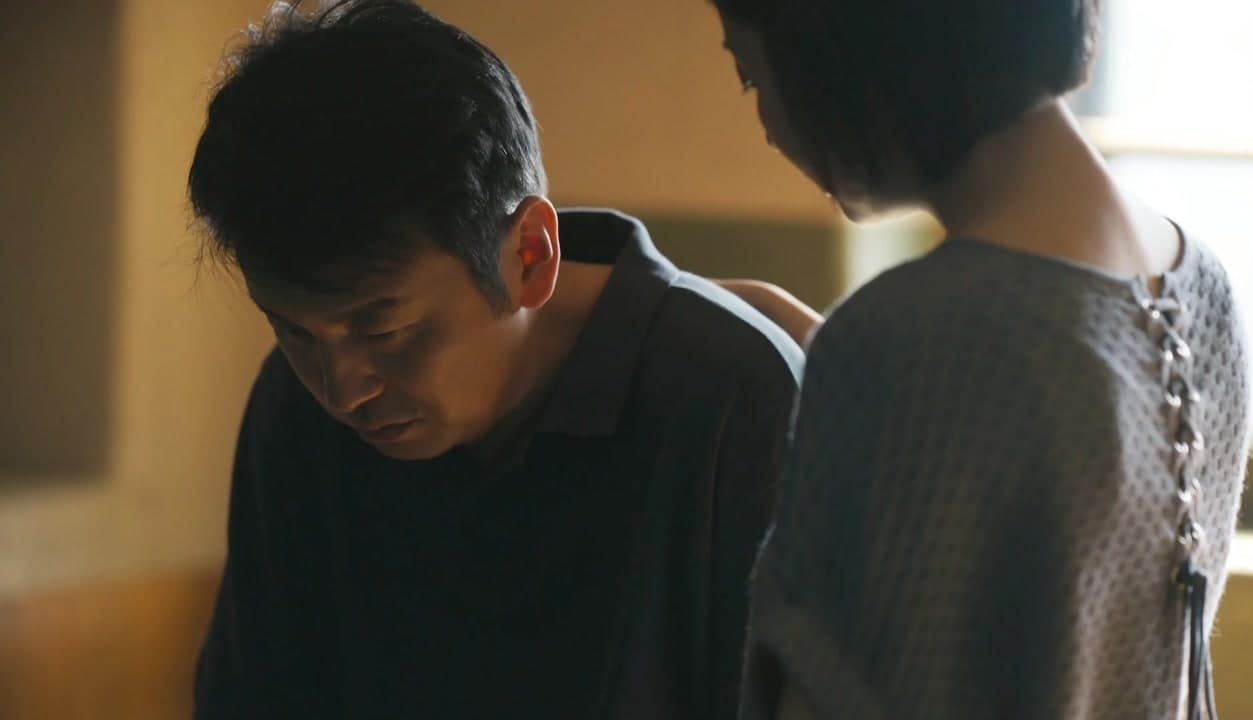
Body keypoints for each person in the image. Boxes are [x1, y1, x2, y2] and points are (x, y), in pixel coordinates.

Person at [186, 1, 803, 717]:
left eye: (384, 330)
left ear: (529, 257)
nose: (343, 391)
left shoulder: (732, 398)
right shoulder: (295, 409)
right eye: (293, 332)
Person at [709, 1, 1251, 718]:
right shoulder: (1204, 286)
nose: (767, 127)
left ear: (843, 51)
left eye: (753, 77)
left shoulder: (907, 341)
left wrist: (856, 364)